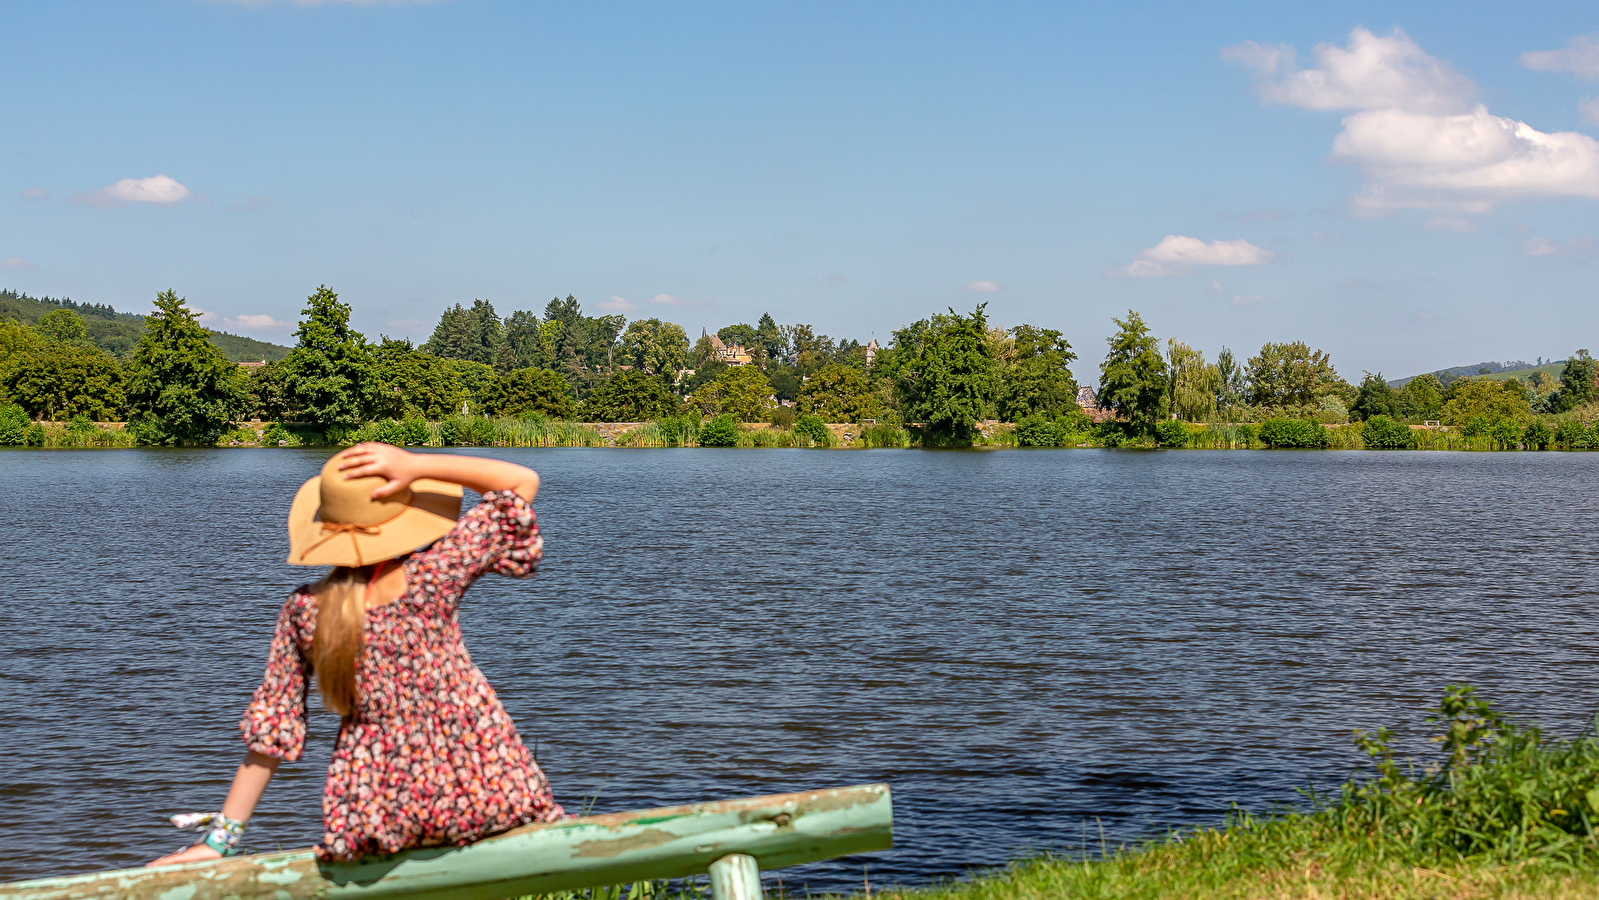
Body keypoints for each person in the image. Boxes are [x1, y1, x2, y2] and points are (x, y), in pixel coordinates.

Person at [149, 443, 564, 866]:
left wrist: (218, 842)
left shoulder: (305, 610)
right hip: (488, 787)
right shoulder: (434, 575)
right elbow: (519, 483)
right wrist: (416, 465)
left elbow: (272, 731)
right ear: (404, 515)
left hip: (377, 812)